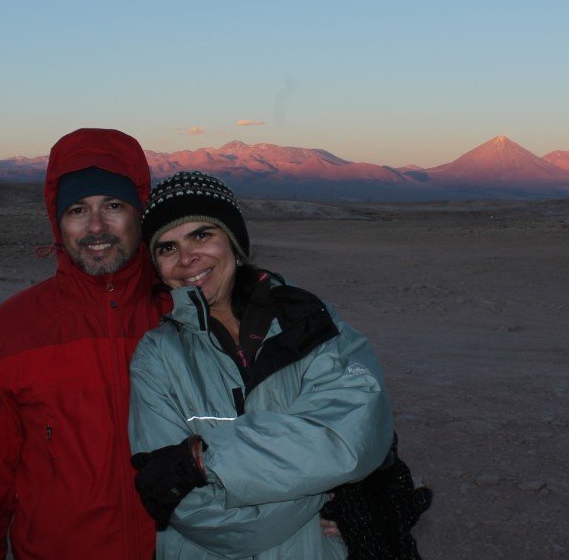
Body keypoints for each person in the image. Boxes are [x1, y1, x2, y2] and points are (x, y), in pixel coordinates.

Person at [128, 171, 430, 559]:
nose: (186, 259)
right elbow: (188, 508)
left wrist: (202, 461)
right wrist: (317, 494)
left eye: (202, 235)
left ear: (234, 243)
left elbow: (353, 436)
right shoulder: (156, 357)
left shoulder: (310, 321)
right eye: (167, 248)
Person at [0, 128, 170, 559]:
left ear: (139, 212)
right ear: (57, 221)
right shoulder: (14, 327)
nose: (95, 227)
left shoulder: (180, 312)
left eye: (113, 206)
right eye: (77, 210)